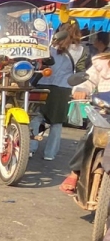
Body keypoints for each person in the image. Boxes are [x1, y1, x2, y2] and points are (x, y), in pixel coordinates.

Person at [60, 46, 110, 194]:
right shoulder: (102, 63)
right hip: (104, 112)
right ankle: (76, 172)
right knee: (90, 137)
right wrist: (82, 90)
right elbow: (87, 81)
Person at [38, 22, 89, 161]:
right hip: (63, 87)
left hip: (42, 83)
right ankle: (50, 154)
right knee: (57, 122)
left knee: (36, 116)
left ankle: (30, 148)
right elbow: (80, 71)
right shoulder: (81, 50)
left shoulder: (48, 46)